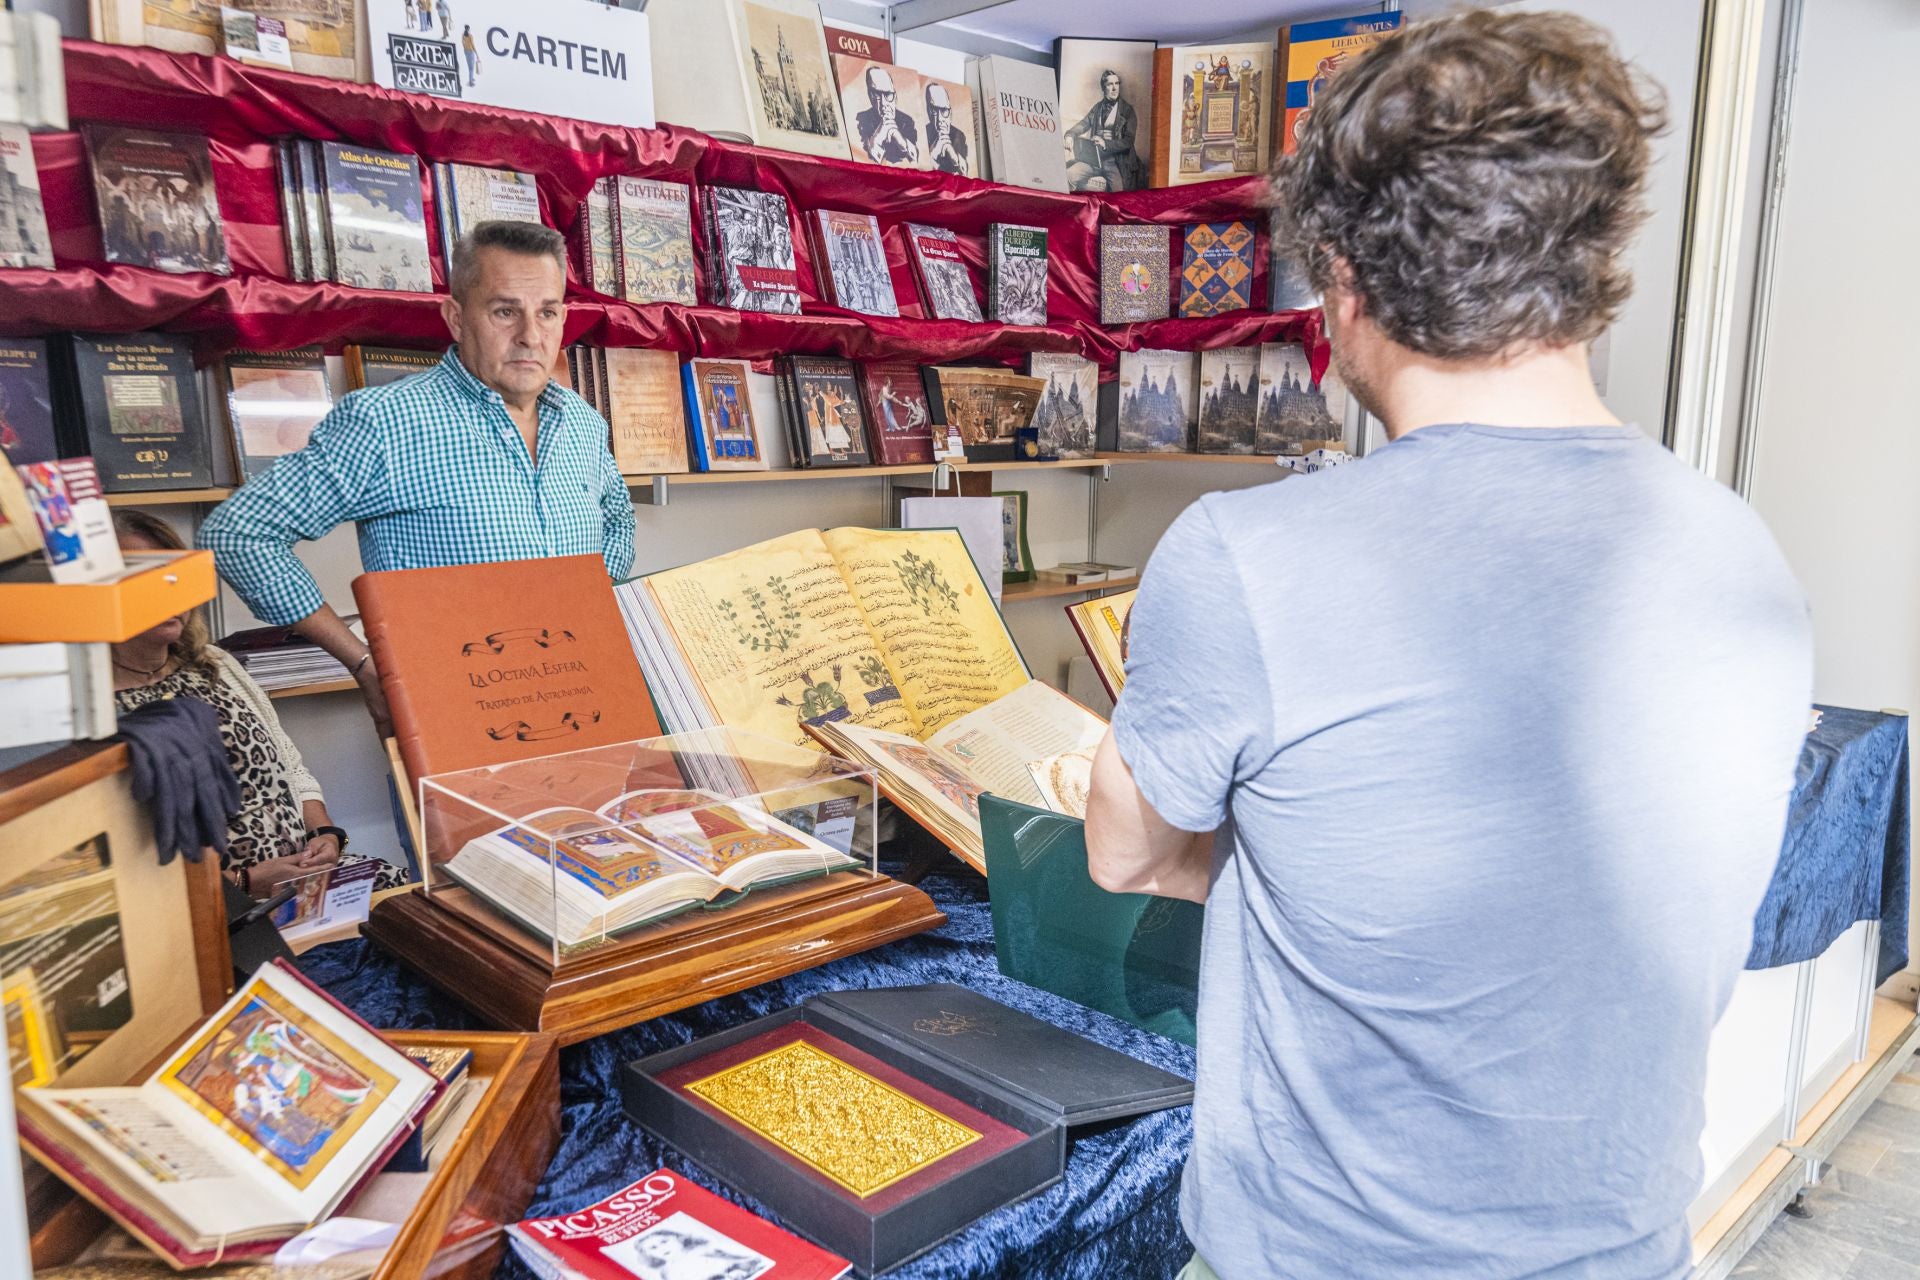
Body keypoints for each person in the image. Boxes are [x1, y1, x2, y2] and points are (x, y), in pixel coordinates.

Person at [1084, 11, 1812, 1280]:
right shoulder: (1742, 550)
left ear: (1346, 285)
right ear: (1593, 260)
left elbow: (1124, 846)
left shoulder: (1250, 554)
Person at [198, 220, 636, 739]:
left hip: (584, 698)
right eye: (504, 312)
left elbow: (618, 520)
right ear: (455, 317)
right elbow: (236, 535)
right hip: (452, 713)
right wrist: (364, 665)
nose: (529, 336)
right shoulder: (385, 422)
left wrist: (584, 610)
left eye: (546, 312)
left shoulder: (583, 424)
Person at [111, 511, 408, 896]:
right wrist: (245, 883)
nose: (167, 588)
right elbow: (128, 865)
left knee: (415, 903)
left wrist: (325, 835)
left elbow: (291, 767)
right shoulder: (91, 712)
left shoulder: (216, 666)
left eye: (175, 573)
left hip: (308, 880)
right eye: (142, 577)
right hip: (222, 908)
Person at [1064, 69, 1144, 192]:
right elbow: (1084, 124)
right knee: (1068, 176)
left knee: (1119, 195)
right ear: (1103, 87)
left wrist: (1105, 144)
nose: (1114, 88)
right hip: (1094, 160)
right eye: (1110, 84)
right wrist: (1070, 134)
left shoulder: (1127, 111)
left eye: (1117, 84)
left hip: (1116, 162)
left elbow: (1128, 142)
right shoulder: (1097, 108)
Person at [854, 66, 919, 167]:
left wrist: (903, 143)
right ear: (869, 95)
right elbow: (862, 161)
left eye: (888, 94)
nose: (884, 103)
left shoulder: (907, 121)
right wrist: (878, 138)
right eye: (877, 94)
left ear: (895, 96)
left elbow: (916, 162)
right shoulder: (861, 120)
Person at [923, 82, 968, 175]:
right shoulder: (922, 133)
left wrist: (953, 155)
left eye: (944, 110)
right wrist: (934, 153)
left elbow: (965, 175)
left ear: (950, 114)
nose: (940, 119)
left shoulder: (959, 136)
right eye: (934, 110)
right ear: (928, 111)